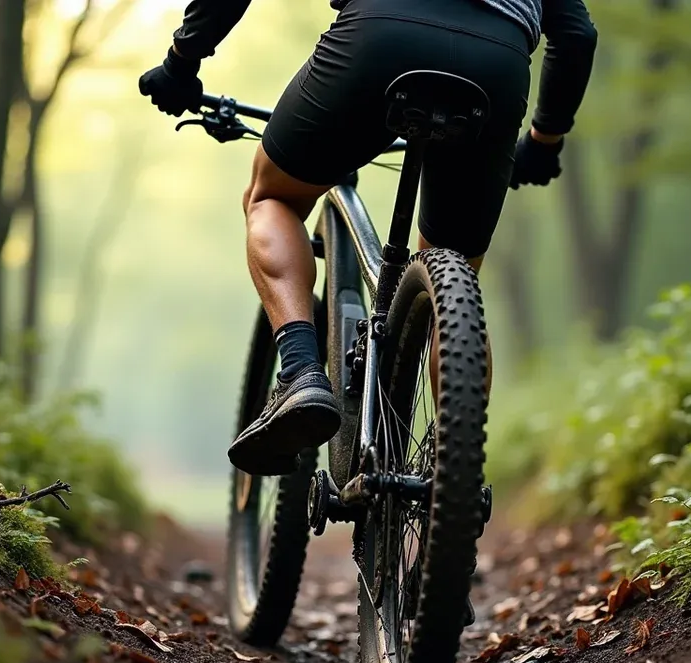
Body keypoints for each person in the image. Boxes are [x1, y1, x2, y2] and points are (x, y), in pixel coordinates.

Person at [140, 0, 597, 476]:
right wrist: (544, 142)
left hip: (379, 38)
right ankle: (452, 479)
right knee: (453, 269)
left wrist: (181, 62)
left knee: (271, 197)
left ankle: (300, 373)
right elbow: (577, 36)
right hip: (496, 65)